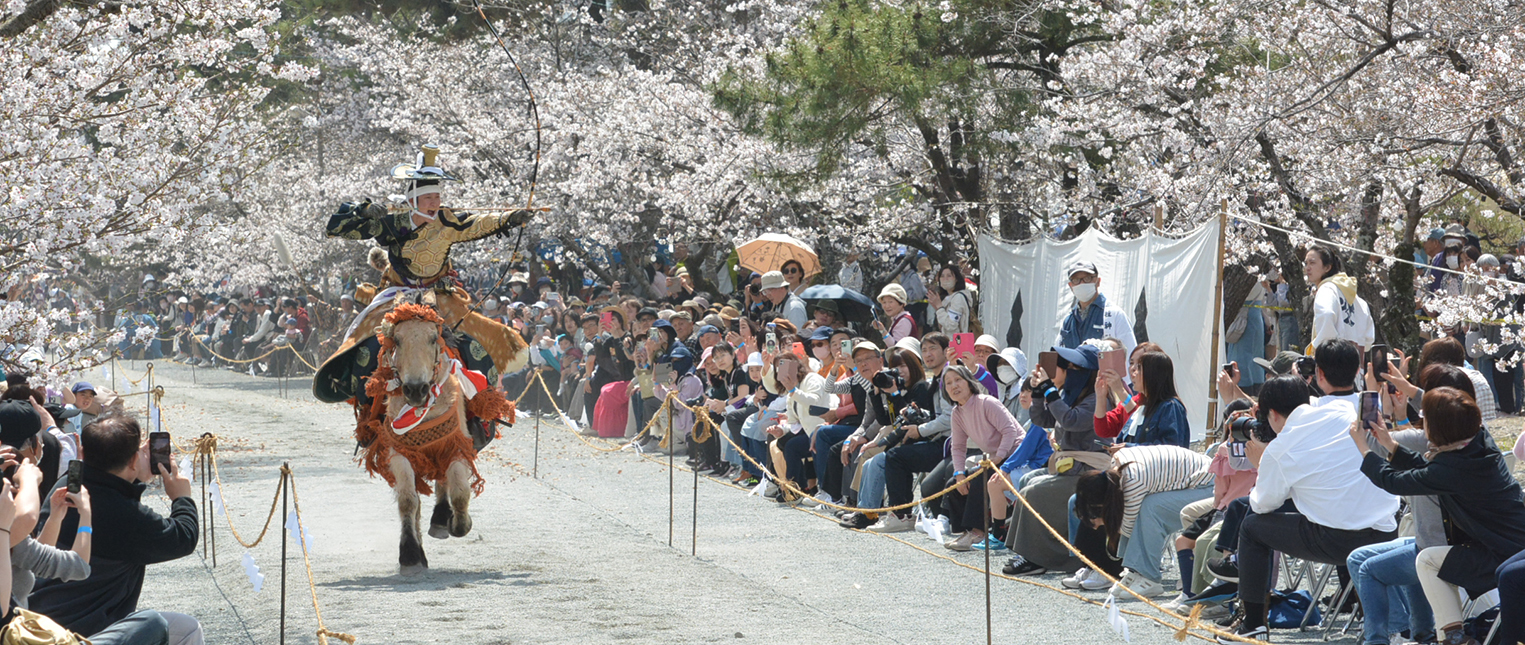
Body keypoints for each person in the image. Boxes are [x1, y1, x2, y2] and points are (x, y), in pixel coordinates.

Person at [315, 144, 533, 405]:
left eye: (437, 197)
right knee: (368, 344)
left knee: (473, 346)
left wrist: (510, 218)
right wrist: (363, 211)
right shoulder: (392, 223)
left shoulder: (447, 220)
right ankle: (367, 409)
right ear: (412, 201)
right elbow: (336, 229)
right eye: (428, 198)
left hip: (438, 294)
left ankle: (481, 412)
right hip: (397, 295)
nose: (434, 203)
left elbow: (478, 223)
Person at [1216, 340, 1399, 642]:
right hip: (1387, 533)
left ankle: (1253, 625)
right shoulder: (1370, 410)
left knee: (1251, 527)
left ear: (1318, 374)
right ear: (1357, 371)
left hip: (1336, 541)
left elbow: (1263, 505)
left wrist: (1263, 462)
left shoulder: (1293, 433)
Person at [1352, 386, 1525, 645]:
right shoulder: (1478, 442)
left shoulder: (1452, 467)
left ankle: (1453, 637)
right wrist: (1389, 443)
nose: (1423, 422)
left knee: (1428, 560)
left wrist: (1364, 449)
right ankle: (1452, 636)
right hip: (1510, 542)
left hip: (1501, 551)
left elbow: (1395, 481)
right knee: (1429, 559)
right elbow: (1429, 471)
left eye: (1426, 418)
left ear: (1438, 429)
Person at [30, 414, 203, 644]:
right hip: (84, 631)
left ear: (82, 452)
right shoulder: (125, 515)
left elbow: (109, 489)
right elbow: (183, 537)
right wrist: (182, 498)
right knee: (183, 629)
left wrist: (132, 472)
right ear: (132, 461)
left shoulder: (66, 486)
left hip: (35, 624)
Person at [1071, 445, 1214, 599]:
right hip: (1197, 481)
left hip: (1209, 486)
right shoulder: (1117, 468)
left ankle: (1150, 578)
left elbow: (1129, 528)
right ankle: (1135, 571)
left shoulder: (1133, 482)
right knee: (1145, 509)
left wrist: (1106, 520)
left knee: (1151, 508)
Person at [937, 366, 1023, 551]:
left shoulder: (986, 402)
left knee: (979, 478)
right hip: (995, 458)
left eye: (958, 380)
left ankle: (979, 532)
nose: (954, 386)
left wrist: (999, 457)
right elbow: (958, 446)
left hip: (1015, 455)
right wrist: (959, 474)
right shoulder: (957, 413)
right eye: (948, 383)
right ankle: (966, 531)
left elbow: (1010, 431)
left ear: (969, 382)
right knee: (955, 483)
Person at [1094, 350, 1189, 448]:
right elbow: (1107, 430)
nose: (1133, 373)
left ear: (1152, 374)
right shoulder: (1142, 407)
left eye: (1138, 369)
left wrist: (1128, 447)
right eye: (1131, 364)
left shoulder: (1170, 406)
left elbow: (1171, 448)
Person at [1056, 261, 1136, 356]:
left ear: (1098, 281)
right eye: (1076, 280)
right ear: (1071, 286)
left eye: (1087, 278)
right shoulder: (1068, 320)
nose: (1082, 283)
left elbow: (1130, 354)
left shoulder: (1114, 314)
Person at [1304, 245, 1374, 351]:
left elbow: (1326, 314)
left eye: (1312, 263)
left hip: (1332, 360)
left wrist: (1323, 346)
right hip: (1356, 362)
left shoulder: (1326, 289)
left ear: (1327, 267)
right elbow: (1369, 338)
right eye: (1306, 263)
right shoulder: (1356, 298)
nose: (1307, 268)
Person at [927, 264, 974, 334]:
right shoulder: (947, 298)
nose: (945, 279)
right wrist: (937, 308)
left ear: (956, 279)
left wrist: (939, 307)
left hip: (957, 342)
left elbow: (951, 325)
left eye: (949, 276)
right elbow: (943, 326)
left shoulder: (958, 298)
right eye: (942, 276)